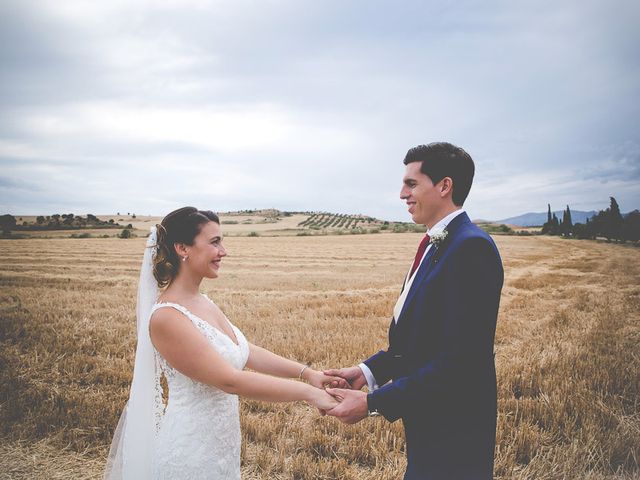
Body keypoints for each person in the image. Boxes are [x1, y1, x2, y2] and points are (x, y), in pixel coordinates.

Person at [104, 207, 345, 480]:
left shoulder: (203, 302)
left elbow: (244, 350)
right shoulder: (167, 317)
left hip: (221, 447)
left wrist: (308, 373)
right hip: (190, 454)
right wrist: (309, 394)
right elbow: (229, 380)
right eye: (215, 242)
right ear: (182, 248)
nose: (224, 251)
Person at [324, 143, 504, 479]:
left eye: (412, 184)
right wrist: (366, 372)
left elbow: (461, 361)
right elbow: (420, 341)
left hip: (455, 433)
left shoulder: (470, 248)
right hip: (429, 425)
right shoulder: (441, 244)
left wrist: (372, 404)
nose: (402, 194)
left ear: (444, 186)